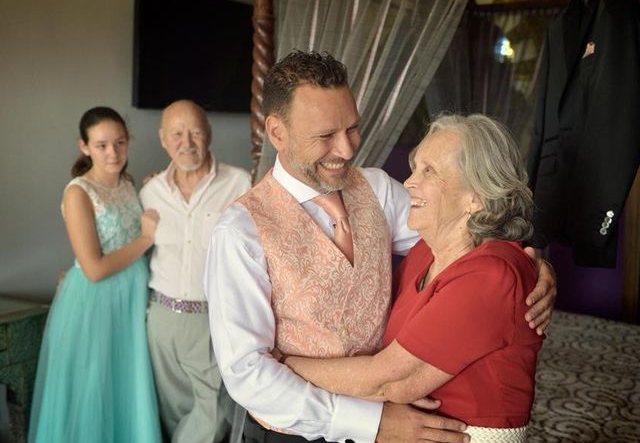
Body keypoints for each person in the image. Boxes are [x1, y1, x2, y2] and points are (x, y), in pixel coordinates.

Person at [204, 50, 555, 443]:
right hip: (297, 432)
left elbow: (464, 230)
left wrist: (529, 262)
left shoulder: (377, 189)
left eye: (352, 128)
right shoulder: (239, 232)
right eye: (326, 136)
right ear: (277, 132)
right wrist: (370, 423)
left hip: (393, 418)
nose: (347, 149)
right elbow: (246, 372)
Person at [283, 114, 542, 442]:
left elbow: (391, 381)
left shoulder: (491, 276)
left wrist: (284, 363)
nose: (408, 182)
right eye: (415, 167)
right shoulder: (425, 252)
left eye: (429, 171)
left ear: (476, 197)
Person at [29, 107, 161, 442]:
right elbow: (94, 269)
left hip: (130, 301)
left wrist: (154, 189)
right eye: (101, 145)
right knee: (93, 391)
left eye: (119, 142)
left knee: (123, 387)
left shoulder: (130, 184)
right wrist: (146, 239)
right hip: (94, 304)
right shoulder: (78, 192)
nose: (113, 153)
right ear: (84, 146)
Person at [139, 100, 251, 443]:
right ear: (162, 139)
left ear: (209, 134)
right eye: (176, 133)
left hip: (212, 318)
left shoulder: (241, 184)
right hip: (161, 319)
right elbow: (135, 247)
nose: (186, 142)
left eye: (195, 132)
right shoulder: (149, 191)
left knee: (212, 414)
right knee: (170, 411)